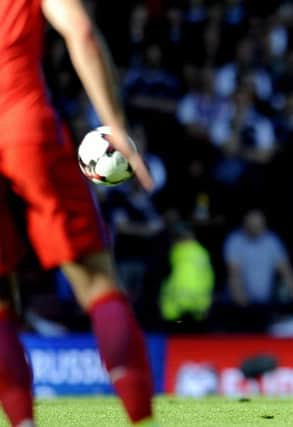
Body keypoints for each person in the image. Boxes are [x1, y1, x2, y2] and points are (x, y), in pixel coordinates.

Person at [0, 0, 156, 426]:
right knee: (97, 281)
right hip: (22, 125)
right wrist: (115, 123)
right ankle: (140, 417)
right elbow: (81, 32)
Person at [224, 209, 293, 332]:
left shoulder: (271, 241)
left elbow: (286, 271)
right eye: (252, 223)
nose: (256, 227)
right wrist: (241, 299)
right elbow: (234, 273)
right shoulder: (235, 241)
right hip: (241, 305)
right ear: (245, 223)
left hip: (265, 304)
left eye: (259, 224)